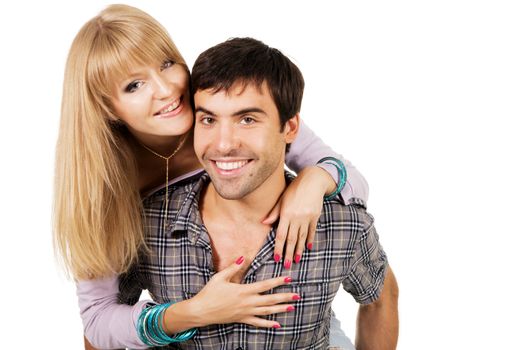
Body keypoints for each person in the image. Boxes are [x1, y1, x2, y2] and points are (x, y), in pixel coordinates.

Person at [53, 4, 368, 349]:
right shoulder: (104, 186)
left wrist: (315, 180)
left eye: (166, 64)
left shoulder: (225, 104)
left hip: (293, 317)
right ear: (107, 107)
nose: (166, 90)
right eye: (134, 85)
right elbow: (97, 320)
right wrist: (193, 312)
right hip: (186, 321)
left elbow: (353, 183)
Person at [116, 37, 399, 349]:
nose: (223, 144)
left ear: (290, 128)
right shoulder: (147, 224)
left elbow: (380, 299)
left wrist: (318, 177)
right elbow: (102, 323)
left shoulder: (343, 224)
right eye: (209, 119)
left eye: (247, 119)